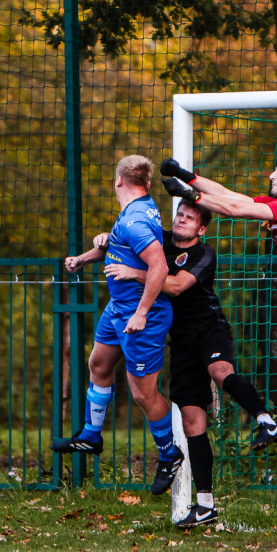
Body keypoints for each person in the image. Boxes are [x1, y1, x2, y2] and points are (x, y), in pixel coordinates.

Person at [102, 201, 277, 529]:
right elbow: (129, 239)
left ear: (201, 229)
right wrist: (106, 238)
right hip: (182, 343)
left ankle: (265, 420)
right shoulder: (160, 241)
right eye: (180, 215)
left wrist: (133, 273)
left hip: (209, 330)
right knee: (192, 423)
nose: (182, 219)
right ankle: (205, 505)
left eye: (190, 217)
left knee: (220, 372)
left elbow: (173, 285)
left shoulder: (204, 254)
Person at [52, 155, 183, 495]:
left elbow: (159, 267)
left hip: (142, 314)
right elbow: (119, 248)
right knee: (98, 363)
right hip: (117, 308)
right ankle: (91, 437)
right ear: (148, 183)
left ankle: (170, 454)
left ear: (118, 182)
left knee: (142, 392)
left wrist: (141, 312)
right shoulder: (136, 210)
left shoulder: (135, 220)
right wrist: (83, 258)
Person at [161, 154, 277, 392]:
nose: (271, 175)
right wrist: (187, 176)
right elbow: (230, 196)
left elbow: (234, 209)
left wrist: (189, 195)